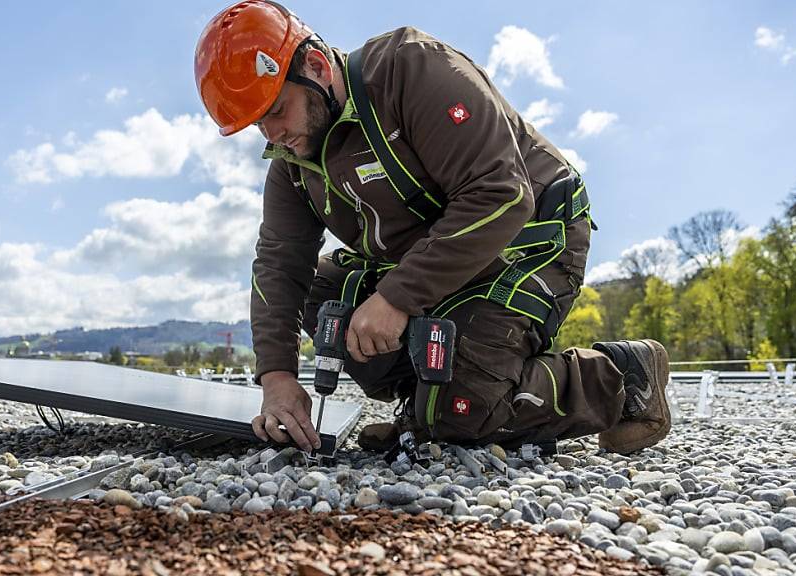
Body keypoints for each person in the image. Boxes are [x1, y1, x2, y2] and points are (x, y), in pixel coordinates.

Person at [194, 0, 670, 456]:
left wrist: (396, 299)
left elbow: (500, 194)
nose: (273, 135)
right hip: (431, 257)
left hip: (527, 236)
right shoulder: (294, 157)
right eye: (258, 125)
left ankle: (621, 376)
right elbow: (279, 263)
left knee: (464, 412)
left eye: (277, 110)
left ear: (316, 67)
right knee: (322, 294)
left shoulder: (411, 70)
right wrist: (276, 376)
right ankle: (426, 404)